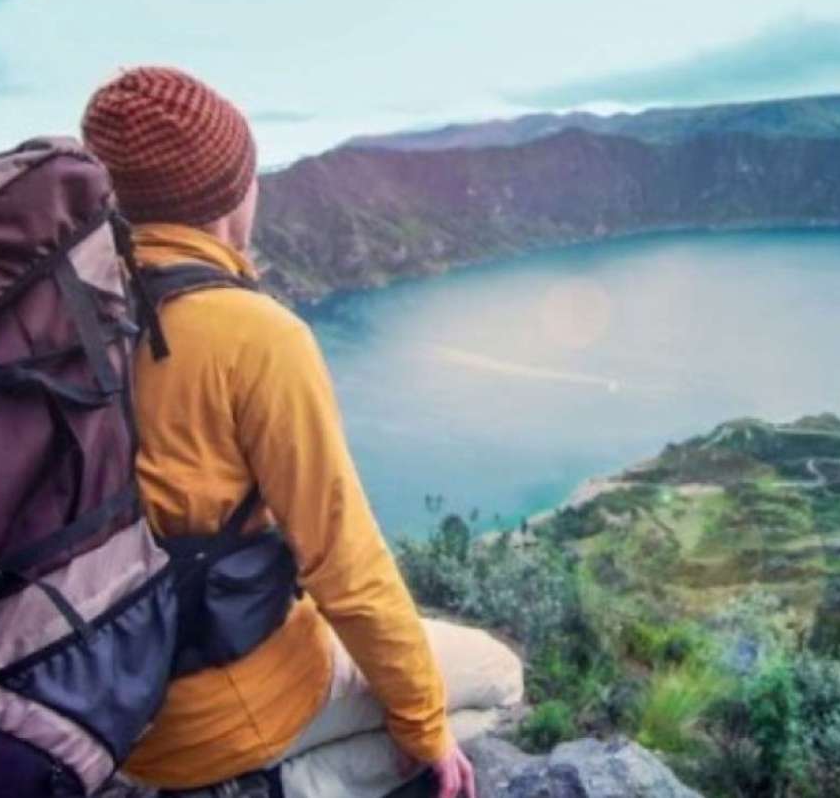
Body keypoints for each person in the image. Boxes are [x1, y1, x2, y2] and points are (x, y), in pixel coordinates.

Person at [81, 66, 522, 798]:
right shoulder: (252, 334)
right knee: (495, 679)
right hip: (223, 714)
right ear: (234, 191)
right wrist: (425, 730)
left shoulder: (60, 320)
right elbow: (345, 566)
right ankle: (281, 787)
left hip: (90, 701)